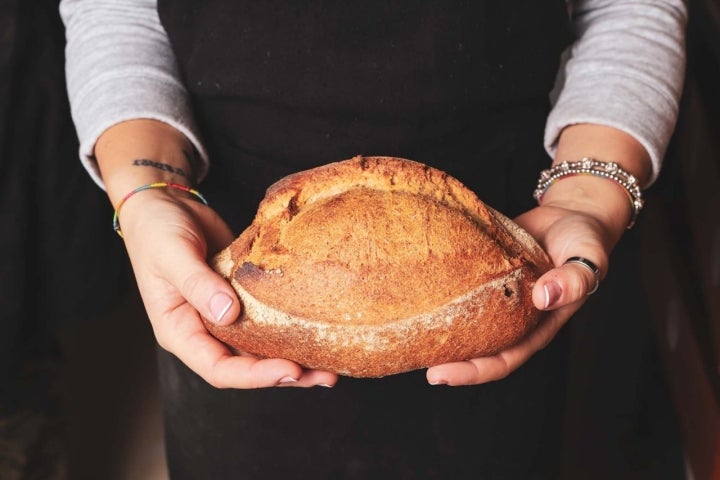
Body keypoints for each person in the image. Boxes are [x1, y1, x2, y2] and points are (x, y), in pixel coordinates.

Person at [60, 1, 687, 478]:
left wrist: (587, 191)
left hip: (509, 253)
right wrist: (151, 190)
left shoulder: (517, 265)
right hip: (230, 267)